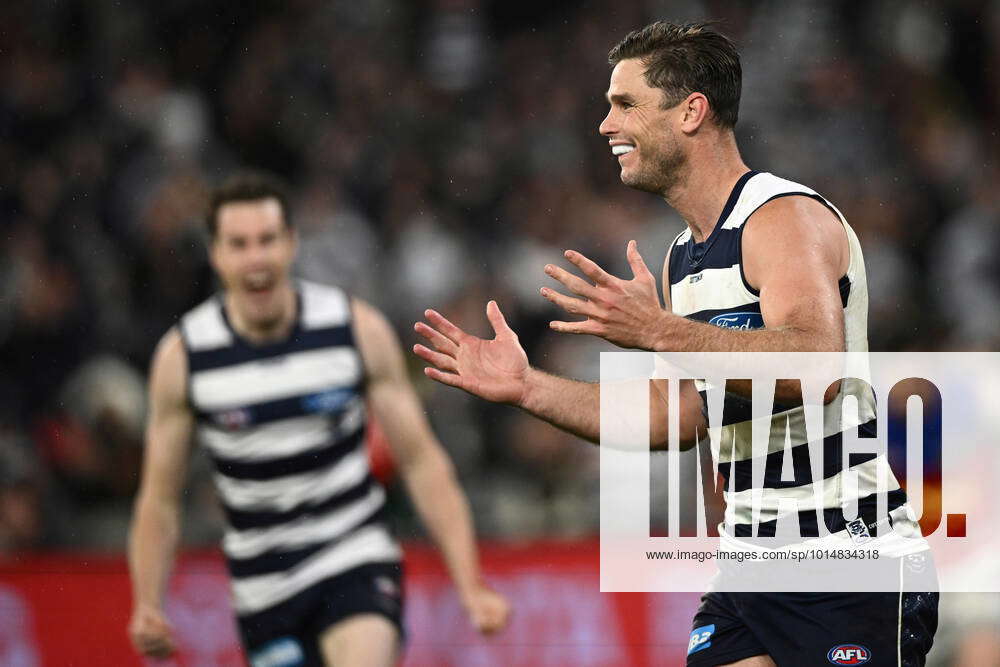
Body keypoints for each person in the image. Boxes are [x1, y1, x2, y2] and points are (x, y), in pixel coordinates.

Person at [414, 20, 937, 667]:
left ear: (692, 111)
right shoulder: (683, 259)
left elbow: (815, 365)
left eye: (625, 103)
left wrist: (657, 328)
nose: (605, 124)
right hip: (751, 568)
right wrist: (528, 387)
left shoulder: (780, 217)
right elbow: (677, 415)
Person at [127, 171, 509, 666]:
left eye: (267, 240)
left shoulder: (354, 328)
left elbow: (421, 462)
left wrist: (470, 583)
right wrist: (147, 603)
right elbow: (159, 499)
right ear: (217, 254)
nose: (256, 258)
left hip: (353, 556)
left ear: (291, 244)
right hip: (263, 588)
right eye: (239, 244)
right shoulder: (185, 357)